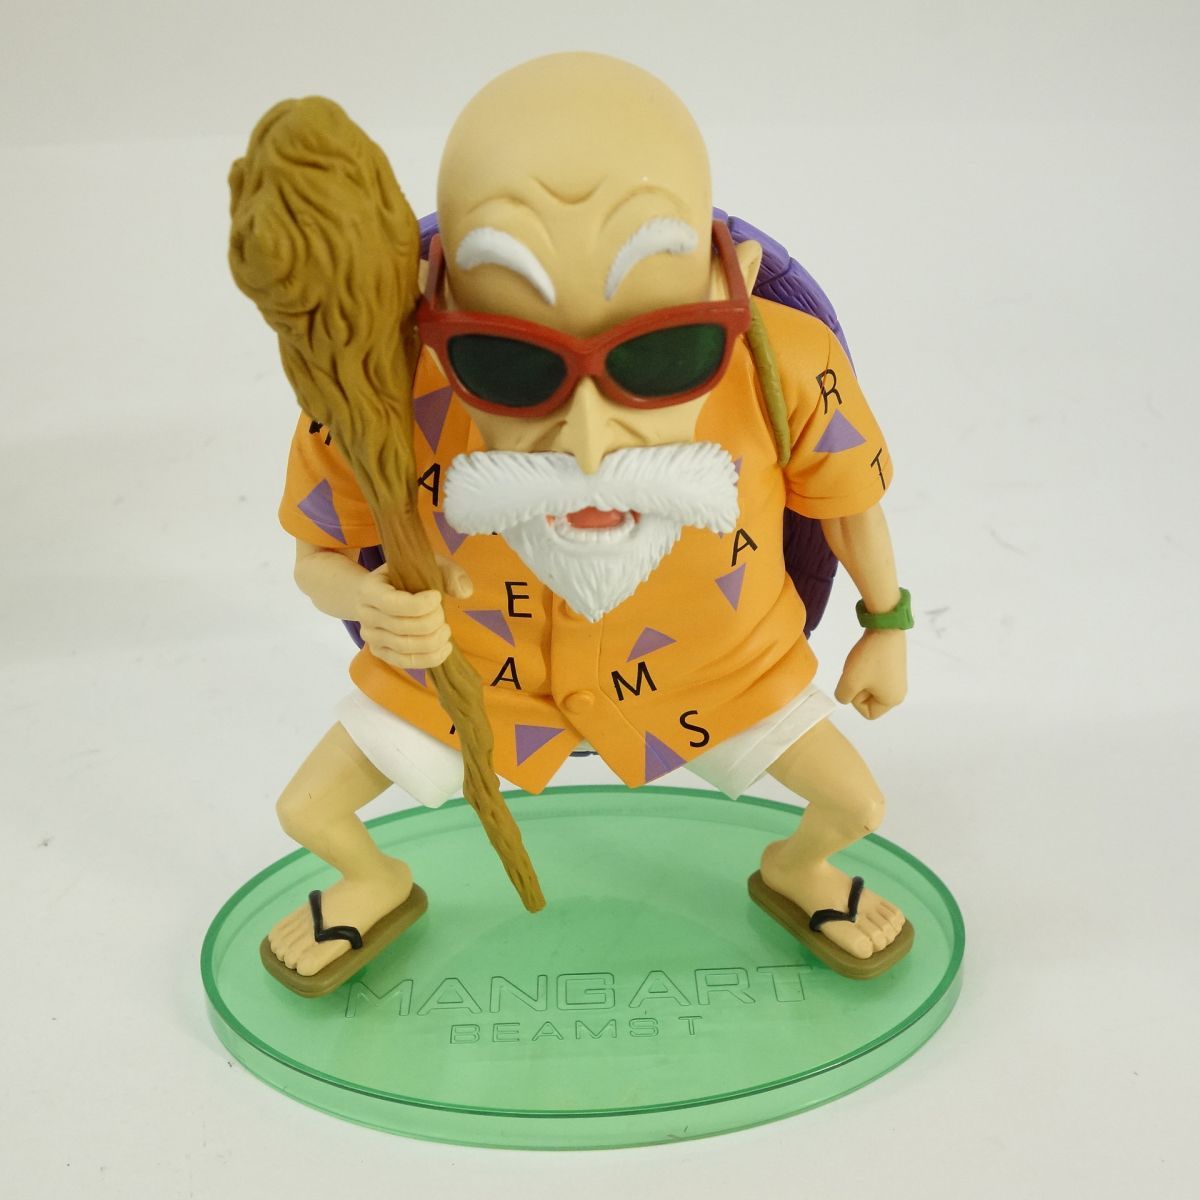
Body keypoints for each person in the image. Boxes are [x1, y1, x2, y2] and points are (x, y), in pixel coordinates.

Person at [264, 52, 912, 992]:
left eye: (663, 356)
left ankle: (796, 868)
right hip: (465, 681)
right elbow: (313, 556)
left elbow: (849, 505)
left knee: (858, 807)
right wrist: (368, 600)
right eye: (510, 364)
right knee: (308, 812)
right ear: (434, 309)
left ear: (732, 285)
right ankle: (372, 881)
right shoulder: (377, 393)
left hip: (720, 672)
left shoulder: (791, 364)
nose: (590, 442)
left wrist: (886, 624)